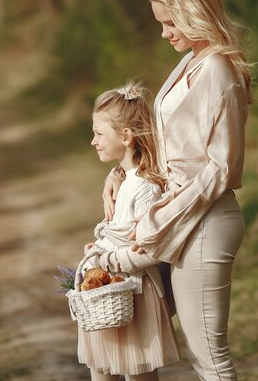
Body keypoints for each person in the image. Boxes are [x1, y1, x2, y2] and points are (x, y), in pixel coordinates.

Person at [102, 0, 251, 381]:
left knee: (208, 354)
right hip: (176, 216)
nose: (166, 33)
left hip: (203, 220)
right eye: (162, 24)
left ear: (193, 12)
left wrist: (165, 214)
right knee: (137, 324)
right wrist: (124, 171)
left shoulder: (219, 70)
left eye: (171, 22)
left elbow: (221, 167)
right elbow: (170, 145)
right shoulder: (189, 62)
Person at [78, 81, 180, 381]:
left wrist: (106, 258)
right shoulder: (123, 179)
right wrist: (100, 249)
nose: (93, 141)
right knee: (102, 369)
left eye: (99, 133)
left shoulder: (146, 188)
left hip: (135, 294)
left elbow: (149, 250)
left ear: (126, 136)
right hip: (111, 291)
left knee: (139, 374)